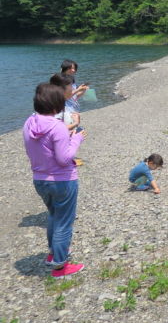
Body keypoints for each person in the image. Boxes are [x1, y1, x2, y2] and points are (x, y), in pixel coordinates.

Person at [23, 83, 86, 277]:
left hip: (40, 179)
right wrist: (76, 139)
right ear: (56, 103)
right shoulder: (57, 126)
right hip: (62, 181)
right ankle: (60, 265)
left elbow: (45, 148)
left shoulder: (29, 123)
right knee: (64, 222)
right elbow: (63, 158)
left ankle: (52, 254)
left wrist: (65, 137)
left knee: (54, 215)